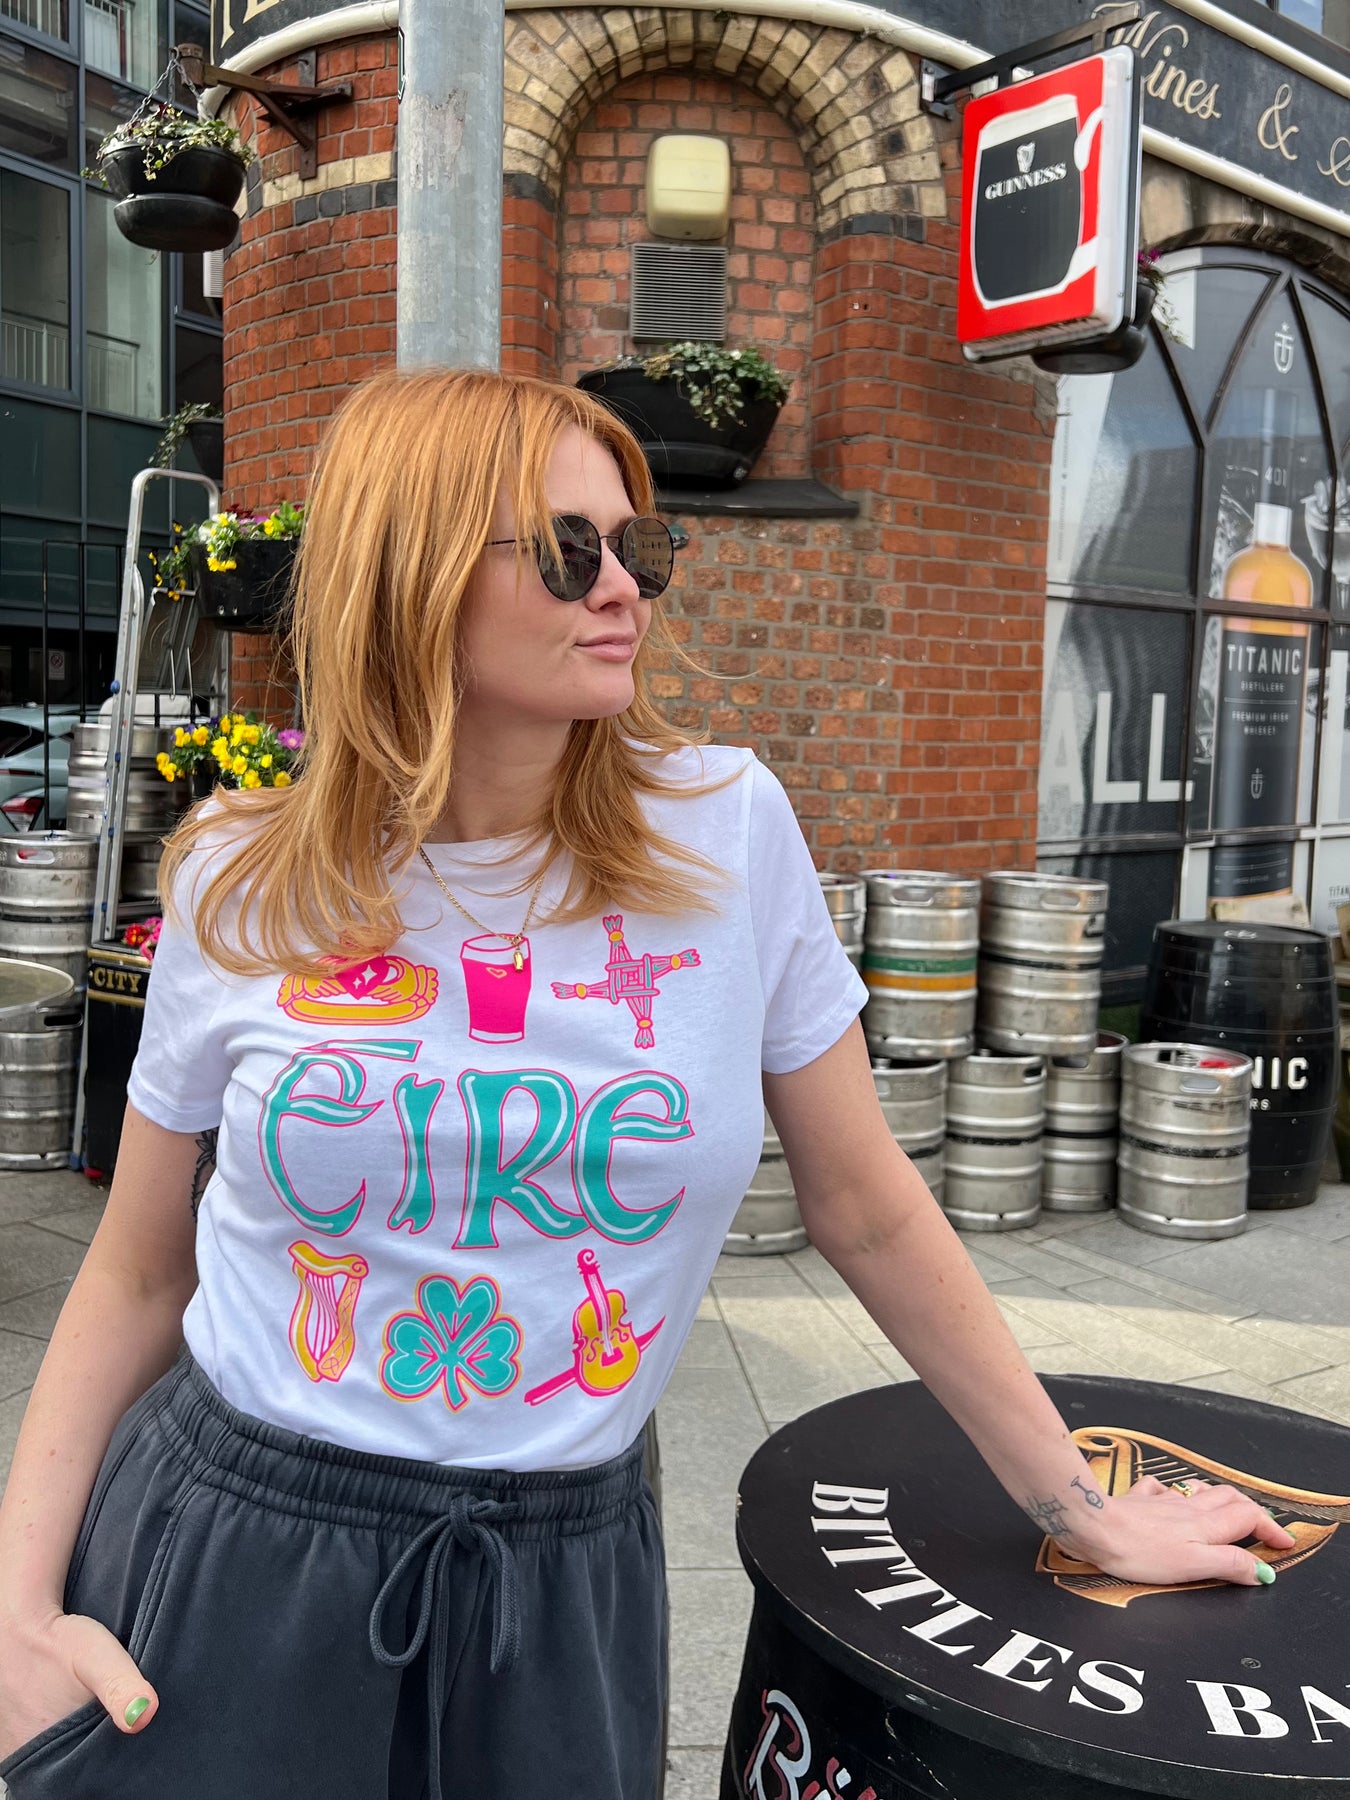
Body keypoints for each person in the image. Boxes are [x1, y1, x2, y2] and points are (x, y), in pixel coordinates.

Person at [0, 369, 1293, 1800]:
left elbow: (867, 1207)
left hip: (563, 1570)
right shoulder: (241, 877)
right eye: (570, 552)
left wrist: (1080, 1506)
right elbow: (138, 1272)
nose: (625, 588)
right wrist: (13, 1611)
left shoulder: (723, 832)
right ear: (411, 571)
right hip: (239, 1547)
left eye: (641, 547)